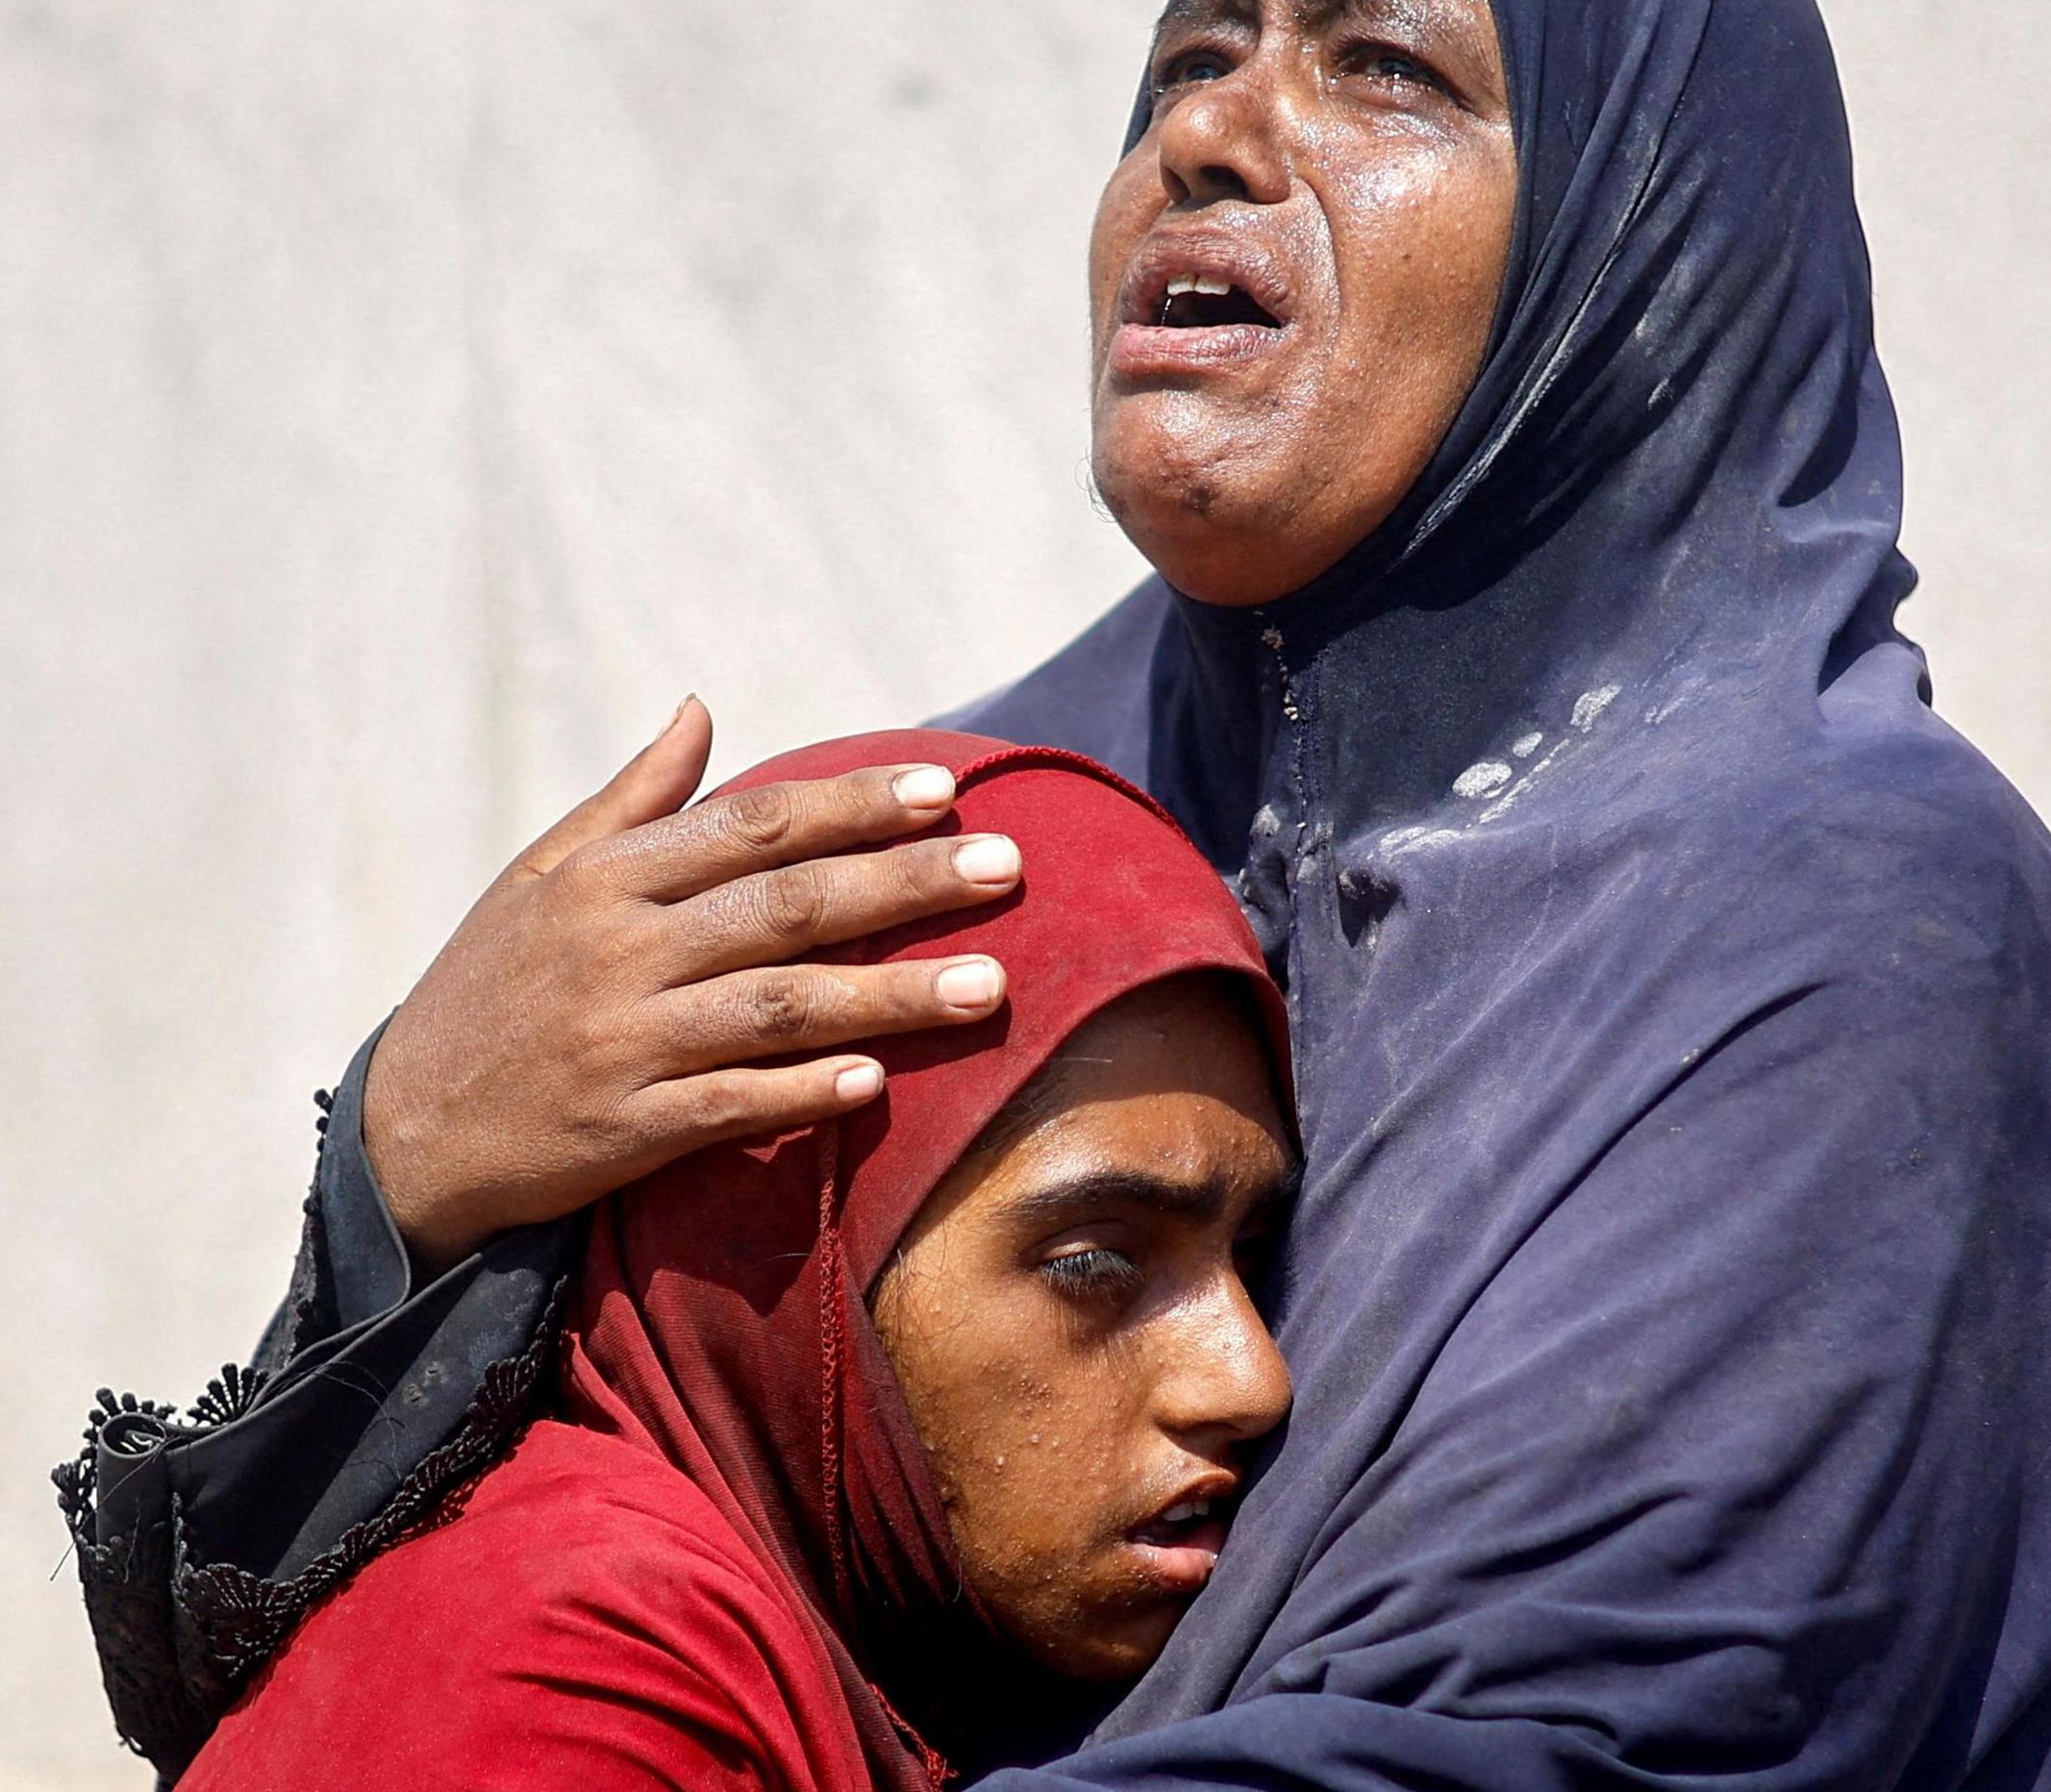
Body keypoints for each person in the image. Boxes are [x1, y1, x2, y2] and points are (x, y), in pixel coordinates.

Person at [63, 0, 2051, 1790]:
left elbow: (1582, 1732)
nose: (1219, 132)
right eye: (1187, 63)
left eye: (1376, 65)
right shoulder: (1000, 847)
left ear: (1637, 257)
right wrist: (415, 1185)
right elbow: (429, 1645)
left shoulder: (1847, 940)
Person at [175, 734, 1295, 1790]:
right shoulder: (577, 1671)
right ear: (787, 1266)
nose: (1252, 1380)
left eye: (1254, 1253)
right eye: (1097, 1263)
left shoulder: (863, 1660)